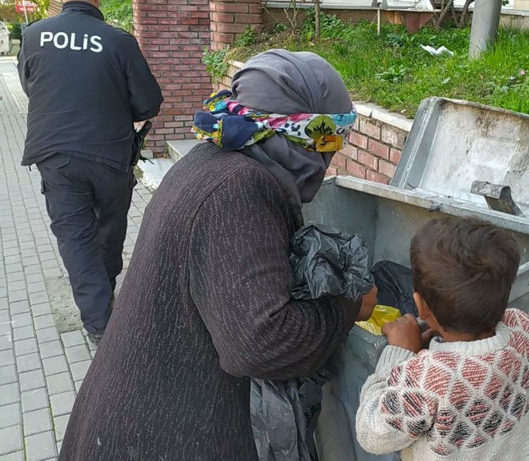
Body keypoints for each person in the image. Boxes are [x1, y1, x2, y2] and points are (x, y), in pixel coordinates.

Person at [59, 49, 377, 460]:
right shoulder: (240, 189)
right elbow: (261, 344)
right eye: (329, 137)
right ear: (296, 133)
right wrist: (350, 305)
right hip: (155, 437)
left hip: (136, 417)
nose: (331, 156)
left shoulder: (212, 161)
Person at [17, 0, 163, 344]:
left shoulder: (34, 34)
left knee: (75, 238)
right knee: (110, 227)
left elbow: (30, 85)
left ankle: (99, 324)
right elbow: (148, 103)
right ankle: (105, 292)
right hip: (109, 154)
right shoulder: (117, 39)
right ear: (96, 2)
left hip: (54, 154)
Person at [356, 217, 529, 461]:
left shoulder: (428, 379)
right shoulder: (527, 330)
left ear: (420, 306)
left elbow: (371, 432)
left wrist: (399, 353)